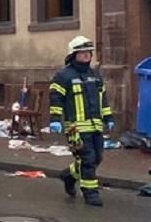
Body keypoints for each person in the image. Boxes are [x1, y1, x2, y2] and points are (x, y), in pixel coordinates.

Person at [48, 35, 114, 208]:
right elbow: (56, 99)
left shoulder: (95, 76)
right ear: (73, 55)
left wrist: (108, 117)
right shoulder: (64, 76)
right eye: (82, 52)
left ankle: (69, 175)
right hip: (75, 128)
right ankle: (90, 193)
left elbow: (103, 99)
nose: (86, 55)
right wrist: (55, 120)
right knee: (88, 159)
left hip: (95, 126)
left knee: (97, 157)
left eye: (88, 52)